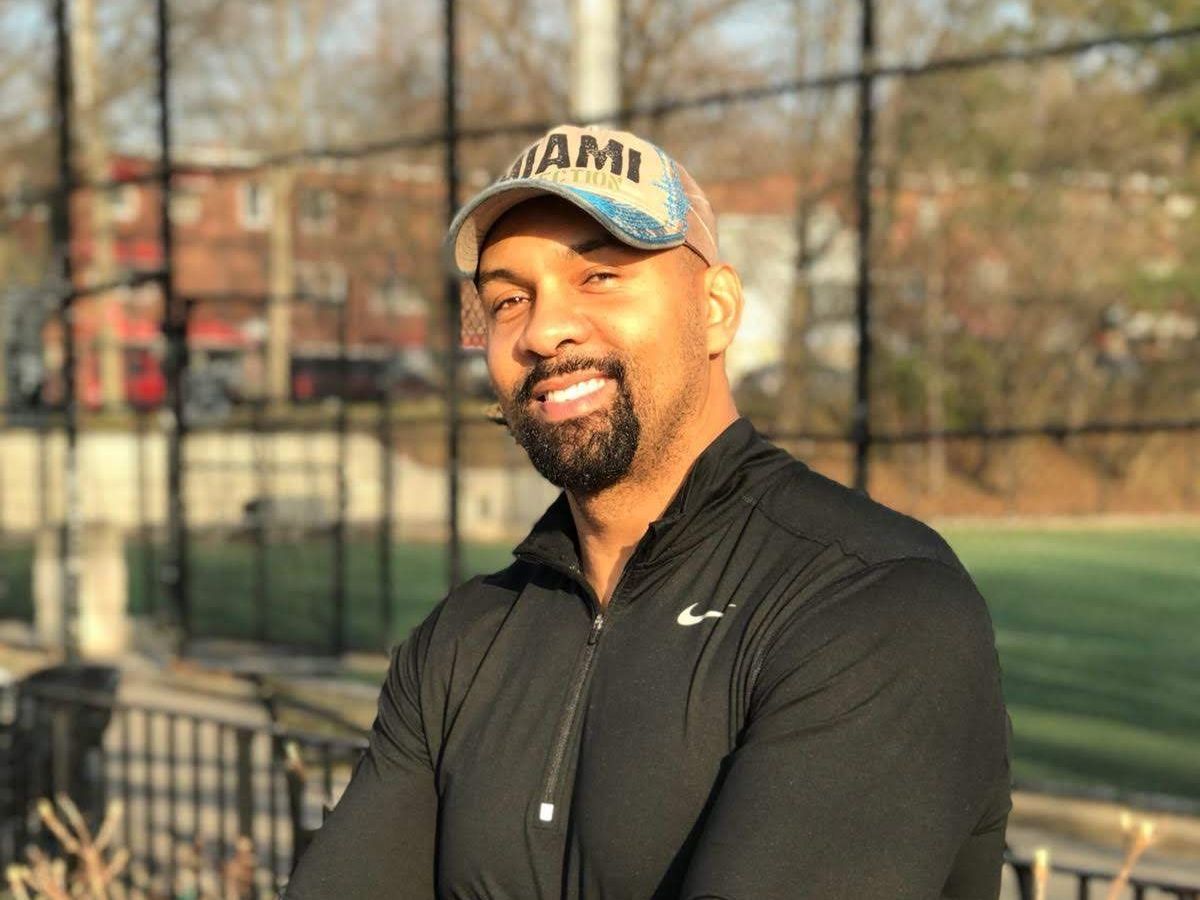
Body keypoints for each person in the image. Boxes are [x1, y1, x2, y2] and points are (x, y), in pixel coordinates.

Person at [285, 125, 1011, 899]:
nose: (543, 330)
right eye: (508, 299)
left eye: (599, 275)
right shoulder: (462, 642)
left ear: (716, 309)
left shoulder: (875, 601)